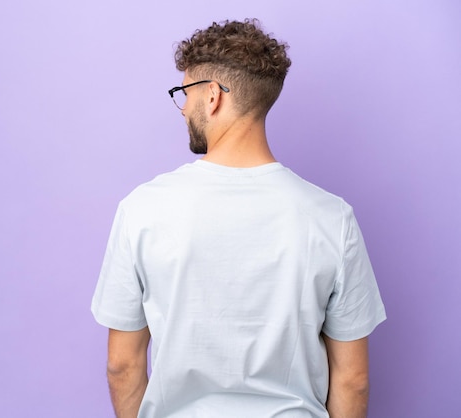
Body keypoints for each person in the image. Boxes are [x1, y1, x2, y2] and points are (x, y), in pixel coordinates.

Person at [91, 18, 386, 418]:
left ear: (212, 96)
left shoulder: (142, 209)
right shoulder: (332, 218)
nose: (183, 110)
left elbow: (122, 366)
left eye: (185, 93)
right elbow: (353, 380)